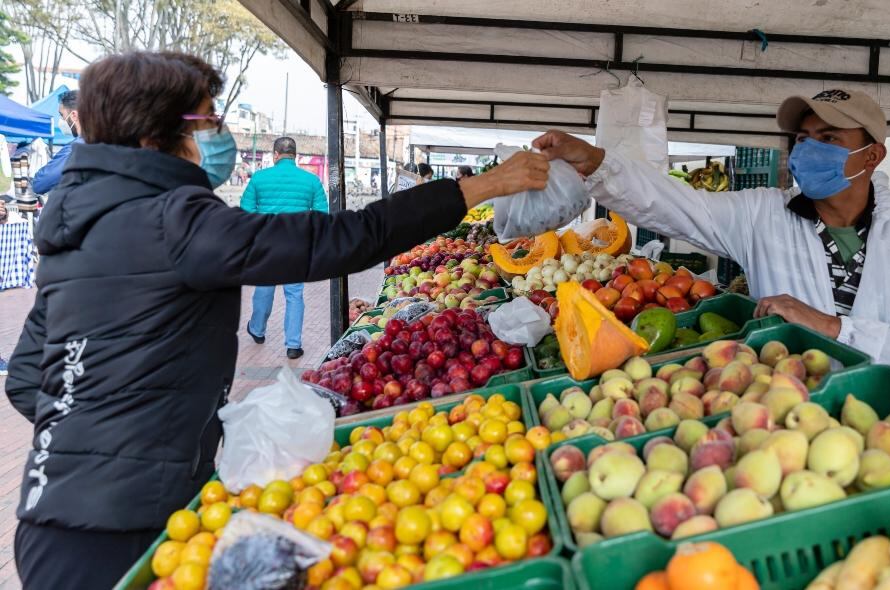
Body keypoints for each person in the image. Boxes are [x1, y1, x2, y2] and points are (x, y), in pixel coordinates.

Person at [5, 50, 549, 590]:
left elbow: (30, 378)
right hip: (124, 529)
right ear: (157, 134)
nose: (216, 136)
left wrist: (103, 427)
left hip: (47, 514)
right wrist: (479, 186)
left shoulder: (74, 227)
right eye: (206, 121)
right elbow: (340, 238)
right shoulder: (173, 219)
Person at [533, 88, 890, 386]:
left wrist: (832, 328)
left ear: (872, 155)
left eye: (828, 137)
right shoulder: (765, 214)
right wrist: (596, 162)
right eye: (802, 138)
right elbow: (673, 203)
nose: (807, 150)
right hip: (784, 418)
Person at [241, 136, 328, 359]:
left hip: (267, 244)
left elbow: (246, 212)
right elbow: (321, 217)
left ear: (275, 155)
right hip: (297, 245)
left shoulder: (259, 178)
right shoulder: (311, 181)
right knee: (295, 294)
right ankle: (293, 344)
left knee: (264, 288)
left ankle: (258, 330)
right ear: (295, 156)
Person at [30, 90, 84, 195]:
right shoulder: (109, 141)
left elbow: (40, 184)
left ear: (73, 116)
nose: (61, 120)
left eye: (61, 115)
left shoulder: (76, 149)